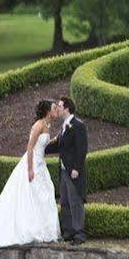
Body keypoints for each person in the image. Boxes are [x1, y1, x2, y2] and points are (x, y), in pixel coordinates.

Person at [0, 99, 62, 249]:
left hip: (41, 164)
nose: (56, 110)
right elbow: (31, 147)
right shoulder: (38, 125)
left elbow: (42, 144)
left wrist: (54, 140)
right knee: (31, 193)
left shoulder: (47, 125)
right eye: (54, 108)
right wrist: (30, 169)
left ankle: (43, 228)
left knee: (44, 193)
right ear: (47, 111)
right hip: (33, 163)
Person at [45, 96, 89, 245]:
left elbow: (82, 149)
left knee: (75, 202)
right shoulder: (64, 126)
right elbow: (59, 145)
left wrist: (76, 168)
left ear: (67, 108)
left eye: (60, 106)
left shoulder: (77, 125)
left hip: (72, 171)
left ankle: (79, 234)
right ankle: (68, 232)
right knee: (65, 202)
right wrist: (41, 148)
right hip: (63, 170)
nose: (58, 108)